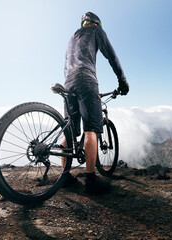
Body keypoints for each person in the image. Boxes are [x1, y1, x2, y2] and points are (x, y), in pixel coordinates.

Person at [62, 12, 129, 193]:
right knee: (91, 128)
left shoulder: (72, 38)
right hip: (86, 79)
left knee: (68, 131)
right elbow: (112, 57)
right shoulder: (97, 31)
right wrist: (122, 81)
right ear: (96, 24)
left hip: (68, 83)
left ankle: (65, 176)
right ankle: (91, 179)